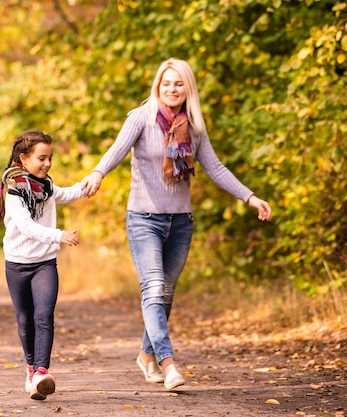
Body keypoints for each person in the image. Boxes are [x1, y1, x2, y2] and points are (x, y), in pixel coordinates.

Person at [81, 58, 272, 391]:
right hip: (143, 219)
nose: (172, 89)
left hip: (181, 222)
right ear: (158, 86)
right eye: (166, 83)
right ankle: (169, 364)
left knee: (165, 295)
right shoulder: (140, 118)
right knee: (154, 289)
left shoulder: (195, 126)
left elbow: (216, 168)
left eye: (179, 83)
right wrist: (97, 172)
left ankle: (145, 356)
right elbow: (117, 149)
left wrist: (250, 197)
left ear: (188, 88)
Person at [0, 130, 85, 400]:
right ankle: (32, 370)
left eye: (50, 158)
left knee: (44, 316)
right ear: (23, 159)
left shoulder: (45, 185)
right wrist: (59, 235)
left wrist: (90, 183)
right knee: (25, 322)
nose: (47, 164)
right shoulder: (14, 190)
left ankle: (42, 373)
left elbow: (66, 193)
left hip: (45, 263)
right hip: (18, 264)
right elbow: (25, 226)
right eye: (41, 158)